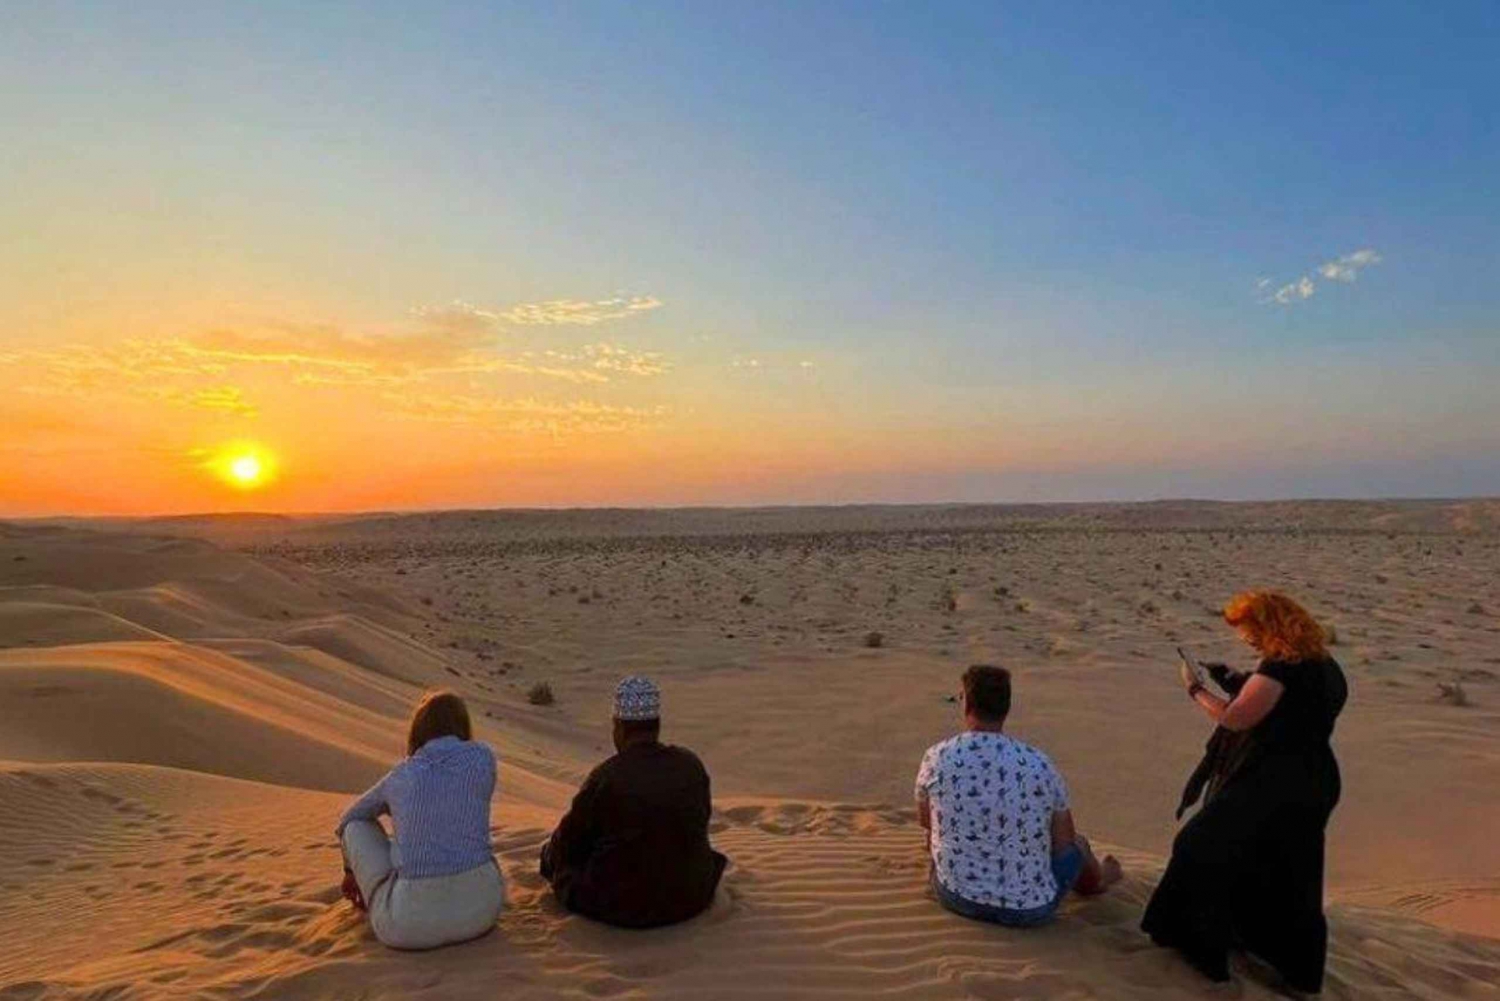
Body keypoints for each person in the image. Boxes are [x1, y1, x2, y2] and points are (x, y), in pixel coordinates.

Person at [1143, 590, 1348, 992]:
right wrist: (1238, 679)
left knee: (1199, 846)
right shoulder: (1326, 665)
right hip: (1315, 780)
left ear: (1270, 625)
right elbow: (1294, 709)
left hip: (1272, 782)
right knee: (1286, 870)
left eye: (1249, 631)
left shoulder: (1281, 667)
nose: (1246, 640)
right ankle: (1294, 969)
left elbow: (1237, 719)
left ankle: (1199, 945)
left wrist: (1196, 690)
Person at [915, 664, 1121, 927]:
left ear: (966, 704)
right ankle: (1099, 881)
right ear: (1006, 708)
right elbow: (1063, 842)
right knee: (1078, 845)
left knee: (932, 836)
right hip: (1030, 910)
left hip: (956, 898)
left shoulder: (937, 756)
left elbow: (926, 821)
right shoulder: (1039, 763)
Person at [540, 676, 727, 928]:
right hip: (692, 897)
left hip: (621, 907)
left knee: (556, 860)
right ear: (656, 725)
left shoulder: (607, 777)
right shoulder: (690, 765)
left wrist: (551, 857)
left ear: (619, 727)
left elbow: (570, 842)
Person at [336, 691, 504, 950]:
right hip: (483, 911)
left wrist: (350, 871)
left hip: (410, 928)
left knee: (355, 826)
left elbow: (350, 817)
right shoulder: (483, 758)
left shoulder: (401, 775)